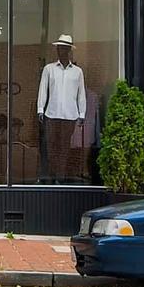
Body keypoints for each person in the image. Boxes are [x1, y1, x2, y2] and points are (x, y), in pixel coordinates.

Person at [36, 35, 88, 183]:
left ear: (69, 50)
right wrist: (40, 109)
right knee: (51, 146)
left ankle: (60, 177)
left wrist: (82, 113)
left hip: (70, 115)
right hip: (52, 114)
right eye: (59, 48)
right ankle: (51, 176)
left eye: (64, 48)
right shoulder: (49, 69)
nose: (61, 51)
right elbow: (43, 90)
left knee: (64, 148)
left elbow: (81, 94)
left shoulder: (77, 72)